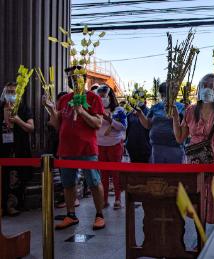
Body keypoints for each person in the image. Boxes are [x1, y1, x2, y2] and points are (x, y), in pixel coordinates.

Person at [43, 65, 106, 230]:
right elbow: (57, 124)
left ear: (83, 79)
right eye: (70, 77)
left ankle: (99, 214)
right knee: (68, 183)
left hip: (87, 149)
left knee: (93, 181)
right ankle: (71, 215)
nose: (73, 80)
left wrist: (82, 112)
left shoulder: (93, 98)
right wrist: (51, 108)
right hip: (66, 149)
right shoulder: (64, 99)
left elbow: (98, 123)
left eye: (76, 77)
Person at [172, 74, 214, 224]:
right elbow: (180, 137)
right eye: (205, 85)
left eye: (213, 86)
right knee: (198, 193)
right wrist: (175, 117)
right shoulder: (190, 110)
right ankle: (200, 235)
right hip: (196, 156)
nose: (208, 89)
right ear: (199, 88)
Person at [1, 82, 34, 216]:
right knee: (4, 178)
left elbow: (31, 128)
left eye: (14, 92)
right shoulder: (1, 107)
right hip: (3, 149)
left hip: (20, 148)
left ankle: (14, 204)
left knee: (17, 178)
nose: (11, 95)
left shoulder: (24, 108)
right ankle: (4, 205)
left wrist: (18, 121)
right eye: (8, 92)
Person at [137, 82, 185, 163]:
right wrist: (140, 113)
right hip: (156, 148)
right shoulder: (155, 107)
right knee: (158, 174)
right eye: (162, 94)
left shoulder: (181, 107)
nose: (164, 97)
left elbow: (184, 127)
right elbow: (148, 125)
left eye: (166, 94)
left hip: (174, 148)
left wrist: (175, 116)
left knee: (175, 174)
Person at [96, 84, 127, 209]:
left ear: (110, 96)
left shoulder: (119, 110)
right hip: (100, 145)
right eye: (100, 96)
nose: (102, 98)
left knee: (116, 173)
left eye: (104, 96)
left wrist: (110, 120)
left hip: (115, 144)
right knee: (103, 174)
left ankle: (118, 199)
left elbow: (124, 127)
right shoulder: (96, 109)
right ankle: (104, 199)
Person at [125, 89, 151, 163]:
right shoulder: (129, 114)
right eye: (135, 98)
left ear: (144, 99)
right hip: (132, 149)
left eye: (141, 97)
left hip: (146, 150)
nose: (138, 100)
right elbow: (127, 131)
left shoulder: (149, 112)